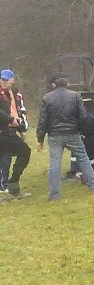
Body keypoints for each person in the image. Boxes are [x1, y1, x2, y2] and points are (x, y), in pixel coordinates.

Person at [36, 73, 94, 200]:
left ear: (54, 85)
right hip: (73, 133)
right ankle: (93, 184)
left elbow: (43, 120)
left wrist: (40, 139)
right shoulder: (75, 96)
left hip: (55, 135)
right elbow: (83, 116)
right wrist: (79, 129)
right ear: (68, 84)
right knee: (83, 158)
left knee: (55, 164)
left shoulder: (47, 98)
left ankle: (54, 195)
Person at [0, 68, 32, 197]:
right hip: (3, 129)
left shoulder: (14, 93)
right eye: (2, 79)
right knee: (24, 151)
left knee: (7, 155)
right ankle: (11, 184)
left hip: (9, 129)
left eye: (6, 79)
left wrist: (22, 129)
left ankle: (8, 186)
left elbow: (17, 111)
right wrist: (10, 120)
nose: (3, 81)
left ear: (12, 80)